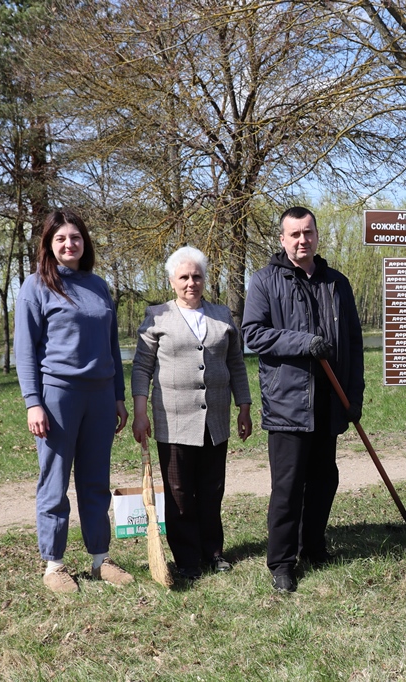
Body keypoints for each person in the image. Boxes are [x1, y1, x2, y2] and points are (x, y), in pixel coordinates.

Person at [242, 206, 364, 593]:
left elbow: (353, 345)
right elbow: (254, 335)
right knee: (288, 486)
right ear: (282, 238)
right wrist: (303, 342)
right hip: (287, 404)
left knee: (325, 480)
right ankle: (281, 562)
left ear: (316, 235)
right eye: (294, 234)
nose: (302, 240)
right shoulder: (264, 281)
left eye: (308, 233)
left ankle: (313, 545)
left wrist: (354, 395)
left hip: (329, 402)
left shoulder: (336, 283)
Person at [15, 209, 133, 593]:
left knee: (95, 480)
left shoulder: (98, 285)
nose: (70, 244)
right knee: (55, 481)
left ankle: (101, 559)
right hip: (57, 397)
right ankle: (54, 565)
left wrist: (118, 396)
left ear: (85, 242)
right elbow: (25, 351)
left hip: (100, 396)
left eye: (76, 237)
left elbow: (112, 346)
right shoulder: (35, 287)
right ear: (49, 244)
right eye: (61, 238)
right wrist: (34, 401)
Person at [131, 246, 253, 581]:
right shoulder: (157, 316)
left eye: (197, 276)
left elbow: (236, 365)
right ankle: (186, 559)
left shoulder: (222, 316)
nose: (191, 283)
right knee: (180, 493)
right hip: (173, 420)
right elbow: (142, 368)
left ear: (205, 279)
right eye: (183, 277)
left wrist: (244, 407)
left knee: (212, 490)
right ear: (172, 281)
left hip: (215, 420)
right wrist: (140, 412)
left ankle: (213, 552)